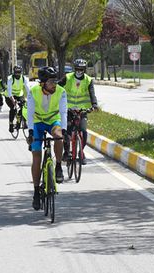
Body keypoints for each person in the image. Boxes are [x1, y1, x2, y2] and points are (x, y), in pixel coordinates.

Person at [27, 67, 67, 210]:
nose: (54, 85)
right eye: (51, 82)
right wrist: (31, 133)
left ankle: (58, 166)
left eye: (55, 81)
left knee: (58, 136)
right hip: (37, 123)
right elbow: (30, 114)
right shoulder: (33, 92)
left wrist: (65, 131)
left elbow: (63, 113)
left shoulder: (61, 92)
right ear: (43, 83)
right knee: (36, 157)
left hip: (53, 120)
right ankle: (36, 192)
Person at [58, 58, 98, 164]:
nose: (79, 71)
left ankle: (81, 152)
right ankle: (67, 152)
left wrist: (94, 105)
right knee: (66, 131)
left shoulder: (88, 80)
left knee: (83, 131)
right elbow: (57, 86)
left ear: (84, 69)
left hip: (82, 109)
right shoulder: (68, 77)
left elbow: (92, 93)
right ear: (74, 69)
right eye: (77, 69)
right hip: (68, 109)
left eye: (81, 69)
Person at [7, 66, 29, 133]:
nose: (17, 74)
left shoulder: (24, 78)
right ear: (14, 72)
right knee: (13, 108)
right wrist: (13, 100)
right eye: (16, 72)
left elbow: (28, 89)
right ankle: (11, 124)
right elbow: (9, 91)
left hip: (19, 95)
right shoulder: (10, 79)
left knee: (22, 108)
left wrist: (29, 98)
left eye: (19, 72)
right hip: (10, 96)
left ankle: (19, 122)